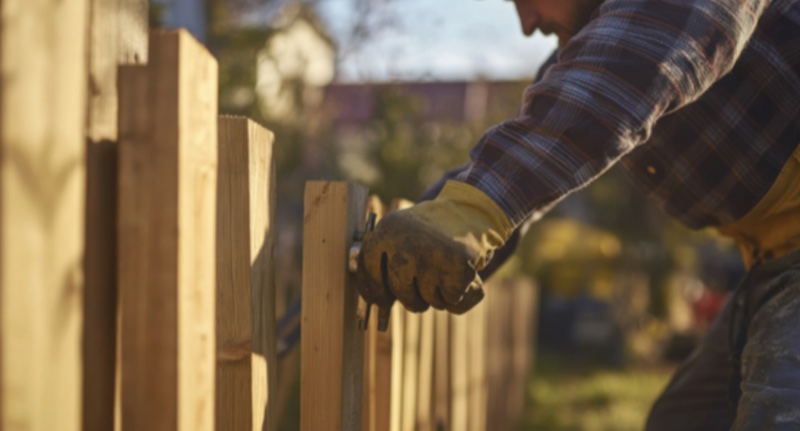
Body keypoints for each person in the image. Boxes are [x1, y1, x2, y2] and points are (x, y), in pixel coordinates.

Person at [356, 0, 800, 428]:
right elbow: (527, 162)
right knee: (681, 421)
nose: (526, 23)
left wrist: (474, 209)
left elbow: (636, 59)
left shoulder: (632, 48)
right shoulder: (579, 69)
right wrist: (421, 228)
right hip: (772, 264)